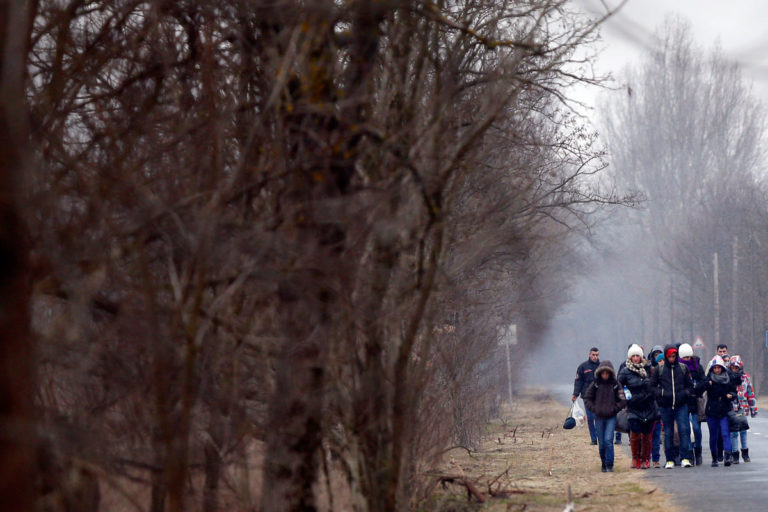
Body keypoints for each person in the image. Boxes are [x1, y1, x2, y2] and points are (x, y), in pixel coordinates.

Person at [650, 345, 694, 468]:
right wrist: (661, 393)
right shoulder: (659, 369)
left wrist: (685, 393)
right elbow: (651, 386)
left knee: (684, 430)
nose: (671, 358)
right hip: (666, 406)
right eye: (669, 356)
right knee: (668, 432)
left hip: (681, 405)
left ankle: (685, 458)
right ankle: (670, 459)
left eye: (673, 356)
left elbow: (690, 386)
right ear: (666, 356)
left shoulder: (683, 368)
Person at [618, 344, 658, 469]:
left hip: (648, 406)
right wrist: (624, 399)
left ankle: (645, 459)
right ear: (630, 357)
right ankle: (635, 458)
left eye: (637, 356)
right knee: (635, 432)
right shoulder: (625, 371)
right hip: (633, 407)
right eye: (633, 356)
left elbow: (655, 386)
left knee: (646, 435)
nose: (635, 358)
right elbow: (618, 386)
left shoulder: (649, 369)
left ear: (641, 357)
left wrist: (651, 394)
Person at [584, 360, 626, 472]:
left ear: (610, 373)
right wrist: (594, 409)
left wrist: (614, 409)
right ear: (600, 373)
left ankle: (610, 464)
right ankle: (603, 463)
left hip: (611, 417)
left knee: (608, 440)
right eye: (603, 373)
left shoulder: (615, 384)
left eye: (607, 373)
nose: (605, 375)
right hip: (599, 417)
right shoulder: (595, 384)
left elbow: (622, 400)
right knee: (601, 443)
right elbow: (587, 398)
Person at [703, 355, 737, 467]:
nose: (717, 370)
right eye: (715, 368)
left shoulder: (728, 378)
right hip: (712, 411)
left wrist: (731, 395)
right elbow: (698, 389)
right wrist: (706, 384)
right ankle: (714, 458)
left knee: (725, 433)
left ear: (722, 368)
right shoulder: (709, 378)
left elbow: (734, 392)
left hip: (724, 410)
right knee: (713, 435)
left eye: (719, 367)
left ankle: (727, 456)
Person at [678, 343, 707, 465]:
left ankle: (698, 450)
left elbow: (704, 381)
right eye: (684, 358)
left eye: (688, 357)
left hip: (696, 401)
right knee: (686, 430)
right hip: (683, 402)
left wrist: (696, 389)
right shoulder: (678, 368)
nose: (686, 360)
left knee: (696, 428)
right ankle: (689, 452)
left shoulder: (697, 366)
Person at [728, 355, 757, 463]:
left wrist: (753, 409)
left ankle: (745, 453)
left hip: (743, 407)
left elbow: (750, 393)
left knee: (743, 430)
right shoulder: (727, 377)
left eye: (737, 367)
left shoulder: (745, 377)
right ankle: (735, 454)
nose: (735, 369)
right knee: (733, 432)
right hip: (731, 407)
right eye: (733, 367)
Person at [572, 347, 600, 445]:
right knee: (590, 417)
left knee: (598, 417)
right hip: (587, 396)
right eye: (593, 355)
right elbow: (578, 381)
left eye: (597, 355)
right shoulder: (583, 367)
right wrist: (575, 394)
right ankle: (593, 439)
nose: (595, 357)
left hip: (599, 396)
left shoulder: (602, 367)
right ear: (589, 355)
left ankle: (600, 436)